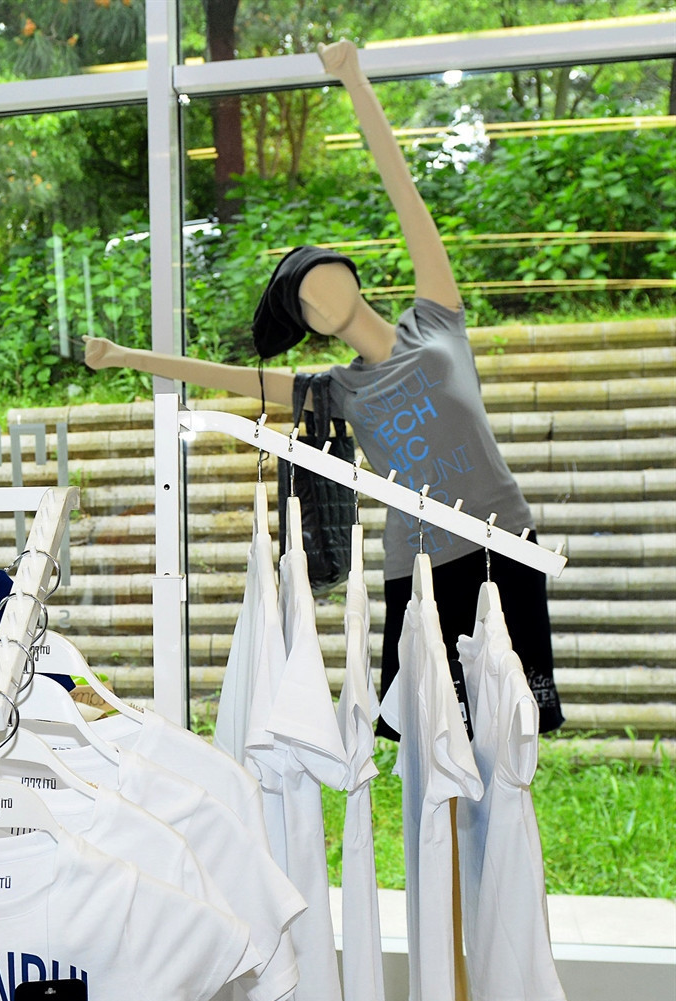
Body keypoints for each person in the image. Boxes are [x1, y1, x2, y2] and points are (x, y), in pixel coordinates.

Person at [84, 40, 561, 737]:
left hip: (504, 538)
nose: (318, 299)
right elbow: (234, 380)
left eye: (320, 279)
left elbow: (404, 193)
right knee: (436, 740)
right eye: (303, 304)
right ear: (305, 325)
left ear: (349, 272)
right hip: (421, 565)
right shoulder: (336, 390)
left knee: (512, 732)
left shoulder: (437, 322)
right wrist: (127, 357)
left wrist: (354, 79)